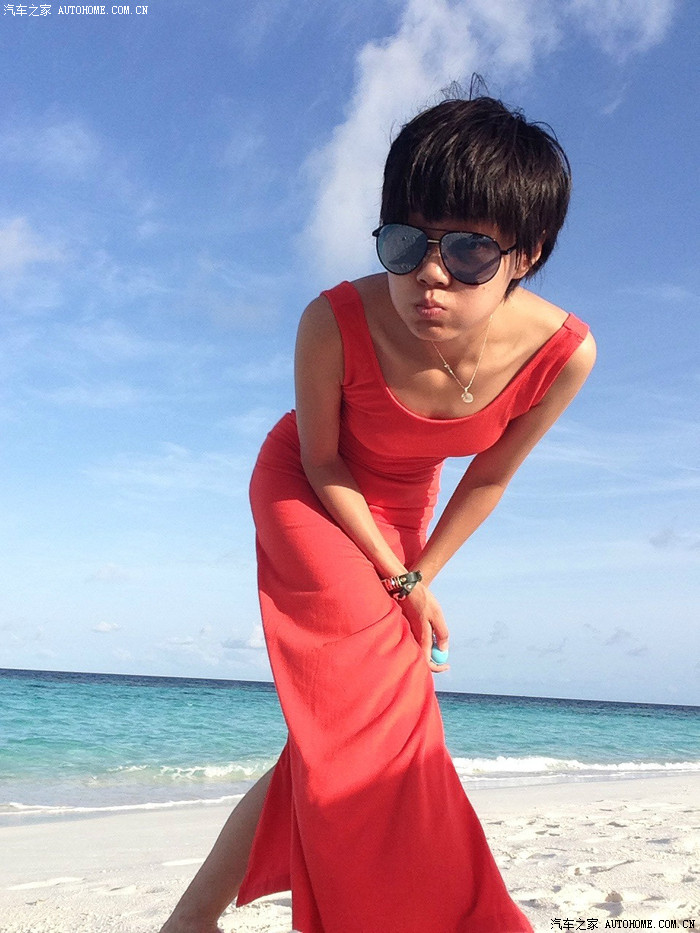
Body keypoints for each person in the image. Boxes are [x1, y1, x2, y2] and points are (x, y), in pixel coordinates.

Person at [161, 93, 596, 933]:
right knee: (382, 715)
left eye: (469, 250)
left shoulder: (563, 354)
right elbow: (323, 459)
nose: (430, 273)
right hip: (307, 487)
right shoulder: (332, 320)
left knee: (334, 733)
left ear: (527, 252)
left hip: (403, 508)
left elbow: (489, 477)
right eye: (406, 241)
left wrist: (420, 571)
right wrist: (401, 577)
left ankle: (190, 920)